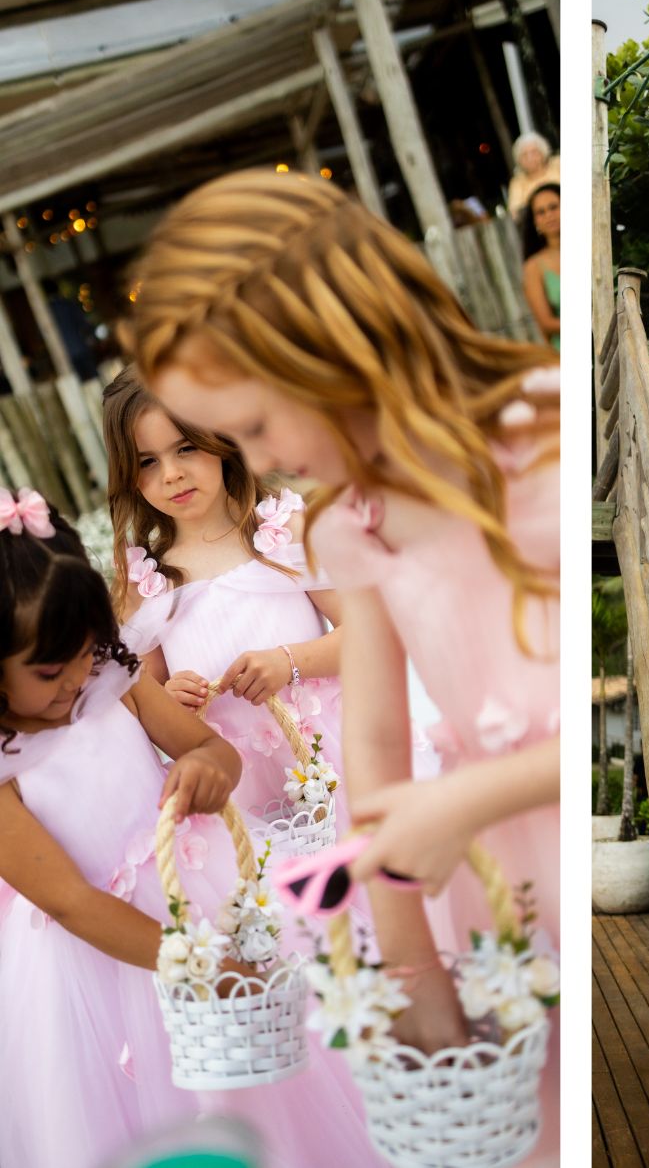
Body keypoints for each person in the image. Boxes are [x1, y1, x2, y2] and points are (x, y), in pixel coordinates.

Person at [125, 167, 561, 1159]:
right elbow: (371, 740)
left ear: (324, 344)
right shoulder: (347, 517)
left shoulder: (533, 441)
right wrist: (415, 974)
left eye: (255, 424)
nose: (260, 458)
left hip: (536, 825)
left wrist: (462, 802)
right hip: (472, 872)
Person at [0, 493, 378, 1167]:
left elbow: (214, 751)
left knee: (277, 1073)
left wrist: (206, 766)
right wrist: (197, 965)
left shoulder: (112, 682)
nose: (74, 683)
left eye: (86, 653)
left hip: (203, 883)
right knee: (178, 1103)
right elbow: (69, 899)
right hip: (110, 951)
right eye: (49, 671)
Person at [103, 371, 352, 849]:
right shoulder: (145, 580)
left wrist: (289, 662)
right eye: (147, 462)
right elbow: (141, 690)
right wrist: (167, 702)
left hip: (326, 755)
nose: (171, 474)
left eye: (186, 448)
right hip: (236, 782)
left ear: (220, 439)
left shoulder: (279, 532)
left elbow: (367, 637)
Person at [522, 183, 561, 349]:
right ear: (535, 221)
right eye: (541, 212)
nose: (549, 215)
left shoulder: (594, 247)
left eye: (554, 207)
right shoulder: (534, 267)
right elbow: (545, 323)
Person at [506, 132, 560, 216]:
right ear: (519, 160)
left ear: (543, 152)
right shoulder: (517, 182)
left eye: (534, 152)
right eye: (524, 155)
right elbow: (515, 212)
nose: (530, 158)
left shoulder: (558, 165)